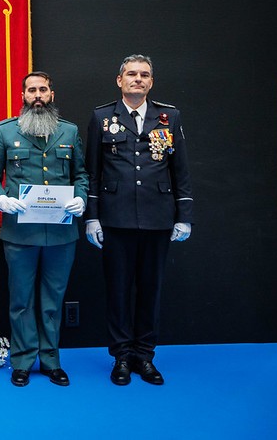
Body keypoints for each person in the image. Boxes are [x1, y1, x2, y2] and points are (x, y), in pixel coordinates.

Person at [85, 54, 193, 386]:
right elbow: (92, 171)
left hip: (158, 218)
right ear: (119, 80)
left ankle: (144, 356)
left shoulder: (169, 117)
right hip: (115, 219)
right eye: (131, 74)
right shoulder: (102, 117)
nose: (138, 79)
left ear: (151, 82)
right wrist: (92, 218)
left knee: (150, 290)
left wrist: (184, 215)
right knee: (118, 292)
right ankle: (120, 357)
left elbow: (181, 172)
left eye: (144, 75)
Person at [0, 71, 88, 387]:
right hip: (20, 232)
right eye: (32, 90)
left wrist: (81, 199)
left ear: (51, 94)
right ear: (23, 96)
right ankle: (23, 360)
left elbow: (81, 175)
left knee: (53, 298)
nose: (38, 95)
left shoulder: (68, 133)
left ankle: (51, 360)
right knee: (21, 300)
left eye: (43, 89)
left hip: (60, 232)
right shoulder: (5, 131)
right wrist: (0, 198)